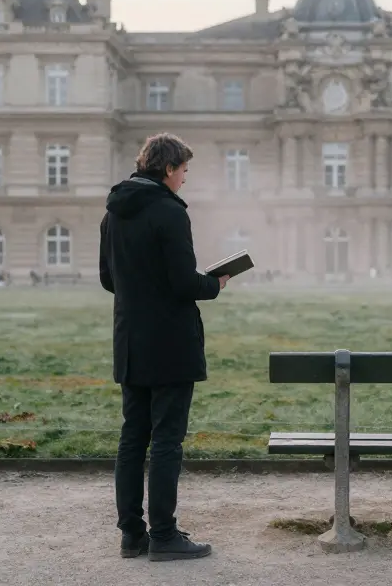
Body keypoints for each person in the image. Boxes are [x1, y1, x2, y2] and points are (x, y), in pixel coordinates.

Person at [99, 132, 229, 562]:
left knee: (132, 439)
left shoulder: (113, 212)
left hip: (130, 340)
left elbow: (107, 279)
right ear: (169, 168)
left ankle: (132, 535)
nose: (186, 180)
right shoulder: (170, 213)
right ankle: (166, 536)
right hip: (170, 343)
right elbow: (183, 283)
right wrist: (215, 282)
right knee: (168, 441)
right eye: (185, 171)